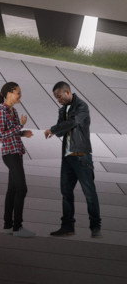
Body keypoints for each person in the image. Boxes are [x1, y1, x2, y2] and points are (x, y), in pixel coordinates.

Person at [45, 81, 101, 238]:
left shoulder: (82, 106)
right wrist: (56, 128)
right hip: (67, 158)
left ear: (68, 92)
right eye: (56, 98)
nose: (58, 100)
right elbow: (60, 132)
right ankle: (67, 226)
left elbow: (73, 122)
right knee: (66, 193)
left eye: (59, 96)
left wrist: (53, 129)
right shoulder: (63, 109)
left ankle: (95, 227)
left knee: (89, 193)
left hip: (82, 157)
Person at [0, 82, 35, 238]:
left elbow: (12, 132)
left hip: (17, 152)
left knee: (12, 190)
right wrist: (19, 127)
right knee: (22, 189)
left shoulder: (13, 111)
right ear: (9, 94)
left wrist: (23, 133)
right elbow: (0, 136)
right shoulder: (1, 112)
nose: (20, 96)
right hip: (9, 154)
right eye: (18, 93)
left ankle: (8, 226)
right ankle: (18, 227)